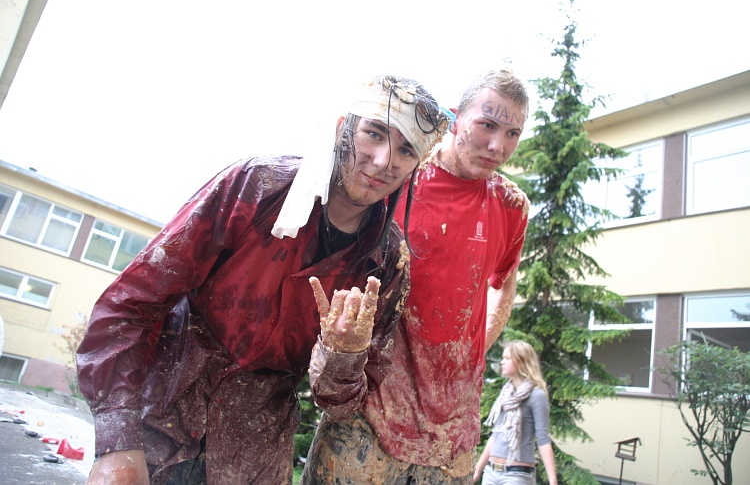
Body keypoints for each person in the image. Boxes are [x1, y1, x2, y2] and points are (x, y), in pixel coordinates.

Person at [76, 74, 449, 485]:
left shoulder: (386, 263)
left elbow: (339, 403)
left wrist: (343, 355)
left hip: (254, 454)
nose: (381, 161)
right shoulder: (254, 187)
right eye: (374, 133)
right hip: (158, 425)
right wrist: (117, 442)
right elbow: (129, 307)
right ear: (344, 127)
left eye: (406, 149)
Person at [303, 69, 530, 483]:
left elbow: (504, 284)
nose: (498, 145)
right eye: (487, 125)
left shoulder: (510, 204)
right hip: (369, 412)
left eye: (512, 133)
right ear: (456, 118)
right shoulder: (398, 176)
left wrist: (473, 348)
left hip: (452, 431)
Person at [473, 340, 557, 485]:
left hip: (517, 475)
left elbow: (543, 439)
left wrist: (553, 481)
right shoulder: (505, 394)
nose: (502, 362)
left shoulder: (536, 396)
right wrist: (478, 470)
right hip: (491, 473)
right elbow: (496, 435)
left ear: (521, 361)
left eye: (507, 358)